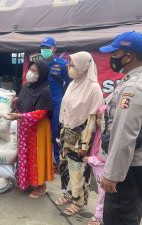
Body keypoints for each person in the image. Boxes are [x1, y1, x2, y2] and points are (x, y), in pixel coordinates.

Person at [99, 31, 142, 225]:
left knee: (119, 218)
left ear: (128, 56)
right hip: (134, 165)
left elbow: (124, 133)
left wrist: (112, 174)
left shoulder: (132, 88)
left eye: (115, 54)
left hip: (128, 168)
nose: (111, 58)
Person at [55, 51, 103, 216]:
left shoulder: (94, 88)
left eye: (72, 64)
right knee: (66, 167)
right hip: (66, 133)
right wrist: (60, 134)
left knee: (78, 170)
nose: (69, 67)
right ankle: (70, 194)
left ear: (84, 66)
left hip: (80, 136)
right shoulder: (73, 83)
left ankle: (79, 202)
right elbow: (65, 110)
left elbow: (91, 119)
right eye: (69, 64)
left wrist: (84, 144)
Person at [8, 59, 54, 198]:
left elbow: (42, 113)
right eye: (30, 69)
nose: (30, 73)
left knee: (37, 157)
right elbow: (22, 103)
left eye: (34, 71)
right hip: (24, 127)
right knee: (24, 155)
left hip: (38, 129)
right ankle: (27, 181)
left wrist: (20, 116)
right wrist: (16, 102)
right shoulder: (26, 86)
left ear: (42, 74)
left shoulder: (45, 91)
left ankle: (41, 186)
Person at [40, 37, 71, 167]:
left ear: (54, 49)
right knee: (41, 130)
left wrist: (62, 96)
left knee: (54, 132)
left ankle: (57, 160)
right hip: (41, 101)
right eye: (42, 47)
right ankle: (43, 158)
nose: (44, 50)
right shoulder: (39, 64)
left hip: (56, 102)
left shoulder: (62, 64)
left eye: (47, 47)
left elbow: (69, 83)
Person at [83, 105, 107, 225]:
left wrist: (90, 159)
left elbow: (104, 159)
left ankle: (99, 216)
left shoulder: (107, 135)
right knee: (101, 192)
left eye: (101, 118)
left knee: (102, 194)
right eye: (97, 118)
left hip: (102, 169)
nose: (98, 121)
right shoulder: (99, 131)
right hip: (96, 168)